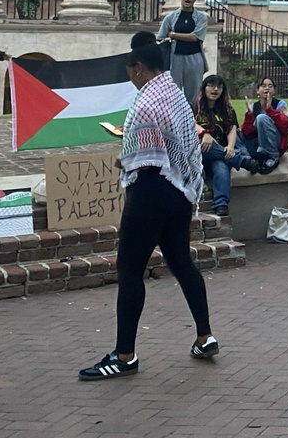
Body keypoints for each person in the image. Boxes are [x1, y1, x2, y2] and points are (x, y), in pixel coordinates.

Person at [78, 32, 216, 380]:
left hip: (150, 193)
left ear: (139, 68)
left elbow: (141, 157)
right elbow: (182, 142)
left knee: (129, 270)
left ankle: (124, 355)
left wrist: (124, 161)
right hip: (179, 191)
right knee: (182, 262)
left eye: (130, 70)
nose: (129, 76)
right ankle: (205, 335)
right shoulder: (175, 94)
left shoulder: (145, 101)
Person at [192, 74, 255, 219]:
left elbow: (232, 129)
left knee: (221, 166)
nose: (215, 89)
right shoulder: (194, 106)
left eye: (219, 87)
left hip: (217, 153)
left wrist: (231, 147)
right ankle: (241, 161)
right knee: (207, 145)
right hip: (198, 153)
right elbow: (189, 123)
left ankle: (221, 205)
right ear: (204, 88)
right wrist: (205, 133)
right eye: (211, 85)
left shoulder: (226, 110)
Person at [156, 0, 209, 103]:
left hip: (194, 57)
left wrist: (173, 35)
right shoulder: (170, 17)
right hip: (175, 58)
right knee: (174, 92)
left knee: (194, 93)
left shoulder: (201, 18)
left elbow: (194, 37)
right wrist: (167, 38)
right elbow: (160, 37)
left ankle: (193, 117)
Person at [239, 77, 288, 173]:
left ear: (274, 90)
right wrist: (249, 115)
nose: (267, 88)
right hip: (257, 143)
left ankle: (272, 157)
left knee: (261, 118)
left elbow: (285, 127)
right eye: (264, 86)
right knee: (237, 132)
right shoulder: (253, 106)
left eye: (270, 86)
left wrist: (270, 110)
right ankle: (250, 158)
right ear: (258, 90)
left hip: (276, 144)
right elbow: (246, 134)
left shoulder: (280, 104)